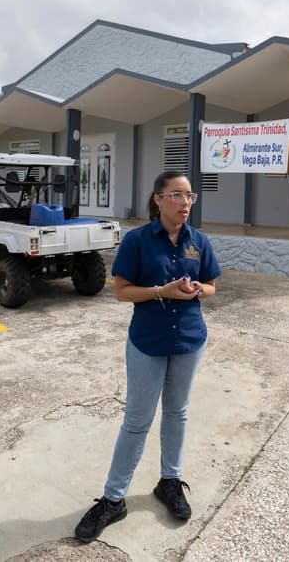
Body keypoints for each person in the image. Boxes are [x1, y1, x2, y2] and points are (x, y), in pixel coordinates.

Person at [74, 170, 220, 543]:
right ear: (157, 199)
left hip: (189, 341)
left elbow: (212, 286)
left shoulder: (199, 241)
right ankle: (113, 498)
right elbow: (121, 292)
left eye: (189, 196)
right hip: (147, 343)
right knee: (137, 421)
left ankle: (169, 482)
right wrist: (161, 291)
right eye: (176, 195)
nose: (185, 202)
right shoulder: (138, 241)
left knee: (177, 412)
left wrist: (194, 289)